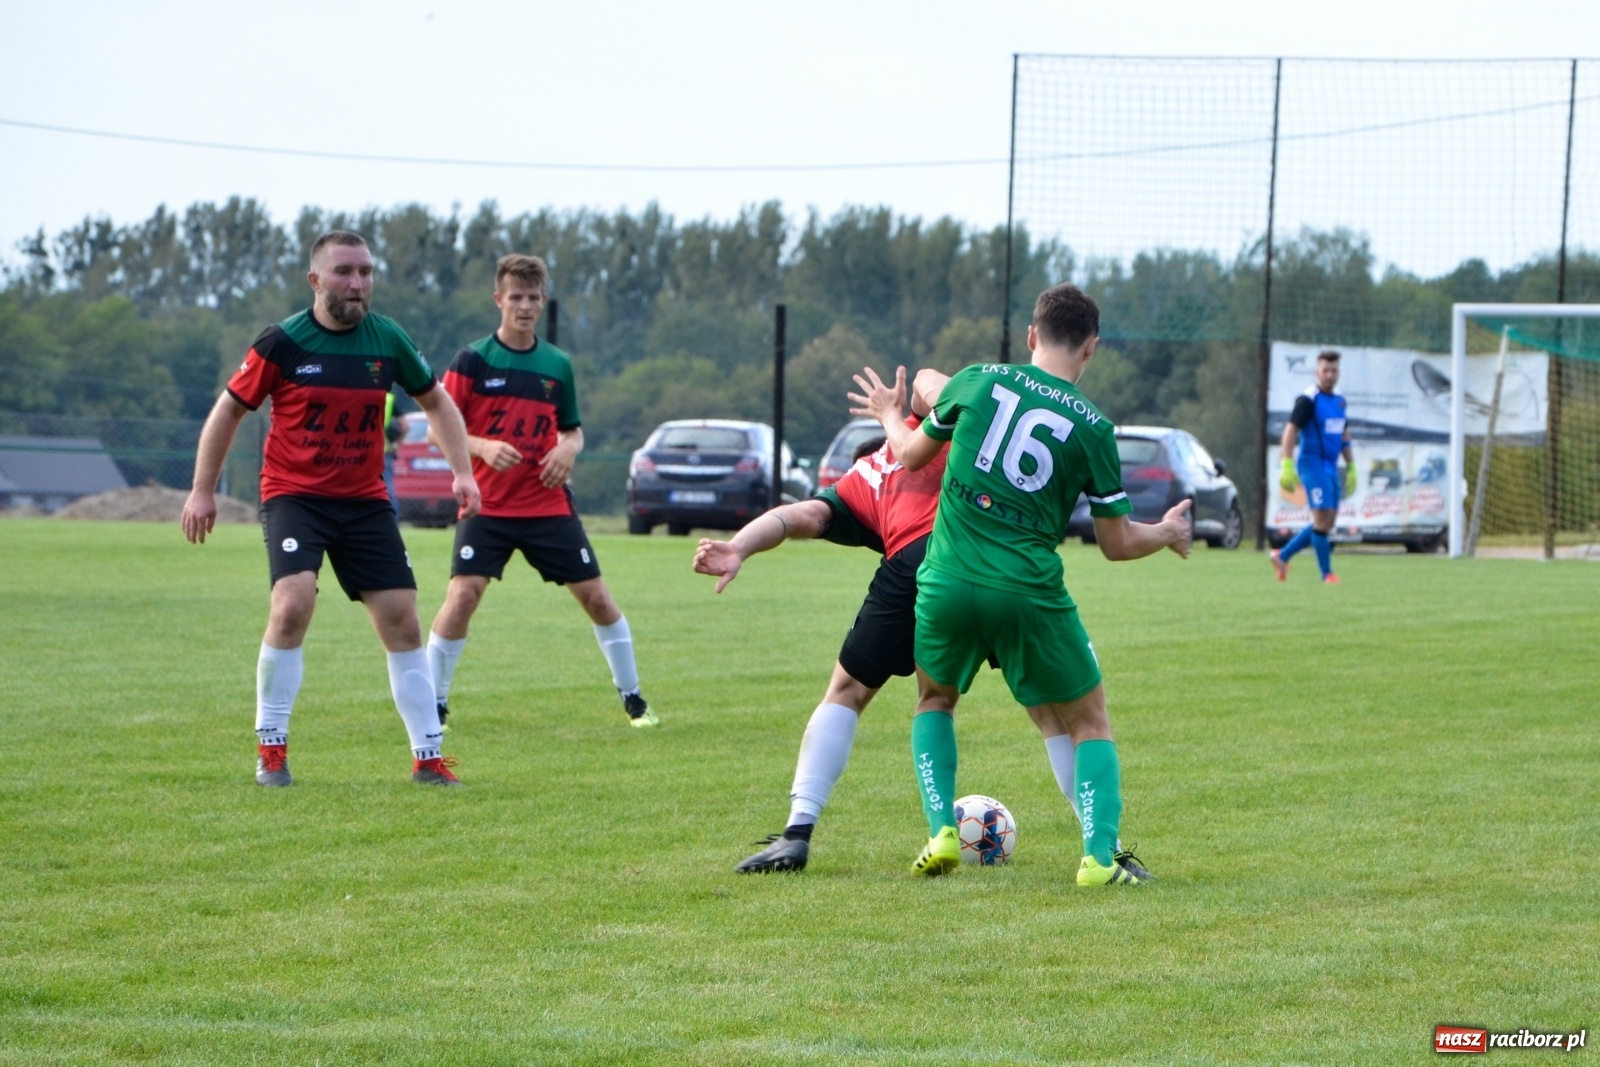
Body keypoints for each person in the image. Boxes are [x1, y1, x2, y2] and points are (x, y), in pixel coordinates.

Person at [850, 283, 1190, 885]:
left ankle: (941, 832)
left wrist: (886, 412)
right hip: (1027, 592)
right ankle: (1099, 859)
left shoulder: (978, 380)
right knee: (1088, 722)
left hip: (947, 582)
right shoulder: (1094, 428)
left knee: (934, 701)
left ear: (1031, 336)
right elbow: (1115, 545)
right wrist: (1164, 532)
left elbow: (906, 454)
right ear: (1091, 349)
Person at [181, 230, 481, 788]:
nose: (358, 283)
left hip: (364, 501)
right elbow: (228, 410)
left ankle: (429, 760)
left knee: (403, 617)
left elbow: (437, 402)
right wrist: (203, 489)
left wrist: (463, 471)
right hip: (295, 495)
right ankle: (272, 751)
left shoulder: (387, 338)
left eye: (366, 272)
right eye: (345, 272)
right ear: (316, 281)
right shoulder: (283, 343)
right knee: (292, 604)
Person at [692, 405, 946, 873]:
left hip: (916, 565)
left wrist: (739, 547)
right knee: (1054, 704)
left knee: (847, 692)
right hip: (993, 561)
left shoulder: (860, 481)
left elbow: (797, 514)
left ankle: (796, 834)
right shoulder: (938, 437)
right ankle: (1100, 847)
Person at [426, 254, 657, 729]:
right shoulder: (472, 359)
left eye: (533, 298)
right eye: (516, 297)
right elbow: (435, 430)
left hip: (546, 505)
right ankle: (435, 704)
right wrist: (483, 447)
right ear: (498, 300)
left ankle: (634, 699)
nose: (525, 306)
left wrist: (568, 450)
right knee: (463, 596)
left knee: (596, 598)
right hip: (487, 506)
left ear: (543, 301)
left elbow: (572, 432)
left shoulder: (557, 365)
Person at [1272, 349, 1355, 584]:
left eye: (1334, 370)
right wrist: (1286, 464)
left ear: (1339, 372)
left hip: (1330, 466)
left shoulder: (1339, 400)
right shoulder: (1308, 399)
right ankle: (1326, 574)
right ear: (1317, 372)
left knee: (1328, 522)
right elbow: (1290, 430)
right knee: (1321, 519)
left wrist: (1352, 466)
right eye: (1325, 370)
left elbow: (1344, 434)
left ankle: (1283, 555)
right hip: (1312, 464)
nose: (1330, 375)